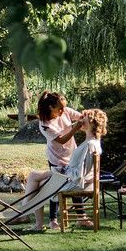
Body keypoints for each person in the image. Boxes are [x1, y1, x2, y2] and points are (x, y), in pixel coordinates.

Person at [21, 91, 83, 231]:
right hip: (57, 160)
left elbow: (80, 116)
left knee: (42, 182)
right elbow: (61, 140)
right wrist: (76, 127)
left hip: (71, 158)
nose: (63, 110)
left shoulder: (64, 110)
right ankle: (52, 220)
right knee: (51, 187)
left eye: (63, 107)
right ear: (50, 108)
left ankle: (26, 213)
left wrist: (88, 116)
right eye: (59, 108)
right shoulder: (45, 125)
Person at [61, 108, 106, 228]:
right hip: (76, 179)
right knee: (37, 177)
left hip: (77, 183)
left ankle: (30, 218)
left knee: (38, 179)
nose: (80, 119)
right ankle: (25, 215)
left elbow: (81, 174)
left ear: (91, 122)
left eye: (84, 117)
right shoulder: (92, 142)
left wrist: (63, 172)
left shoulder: (90, 144)